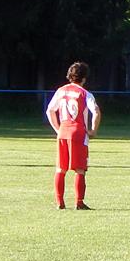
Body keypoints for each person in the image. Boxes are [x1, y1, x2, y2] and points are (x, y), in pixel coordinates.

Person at [45, 62, 101, 210]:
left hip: (63, 131)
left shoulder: (61, 91)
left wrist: (58, 129)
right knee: (80, 169)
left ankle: (60, 202)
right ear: (84, 78)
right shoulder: (85, 93)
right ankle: (79, 202)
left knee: (60, 169)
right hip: (78, 132)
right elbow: (96, 111)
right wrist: (93, 130)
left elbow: (50, 110)